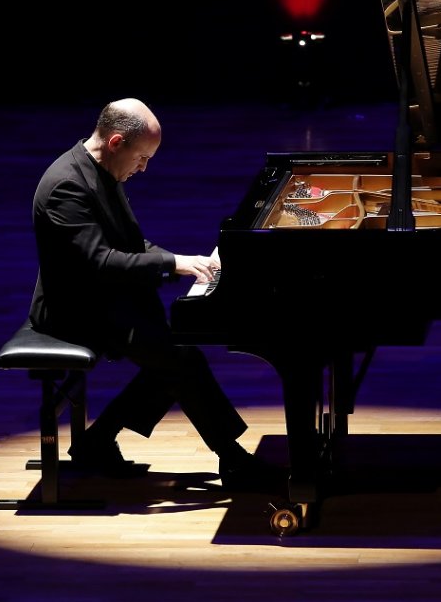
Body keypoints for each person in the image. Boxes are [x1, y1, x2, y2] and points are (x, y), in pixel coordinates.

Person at [27, 97, 275, 491]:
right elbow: (100, 262)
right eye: (142, 157)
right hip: (72, 311)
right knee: (178, 358)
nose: (144, 167)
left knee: (174, 354)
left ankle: (98, 440)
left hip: (102, 298)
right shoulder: (66, 187)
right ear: (116, 142)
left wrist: (184, 261)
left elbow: (130, 243)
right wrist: (172, 264)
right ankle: (232, 459)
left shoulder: (102, 171)